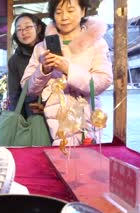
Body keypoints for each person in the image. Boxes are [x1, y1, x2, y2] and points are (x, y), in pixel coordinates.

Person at [21, 0, 113, 146]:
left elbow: (103, 81)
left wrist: (68, 69)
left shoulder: (96, 44)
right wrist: (43, 70)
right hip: (54, 127)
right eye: (58, 12)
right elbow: (28, 88)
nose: (64, 17)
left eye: (70, 10)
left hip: (87, 125)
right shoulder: (41, 48)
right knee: (58, 163)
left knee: (87, 165)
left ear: (83, 11)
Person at [7, 13, 46, 116]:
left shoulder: (49, 51)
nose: (23, 32)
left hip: (58, 113)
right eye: (19, 29)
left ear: (38, 28)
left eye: (28, 27)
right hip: (32, 117)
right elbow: (14, 95)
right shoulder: (14, 61)